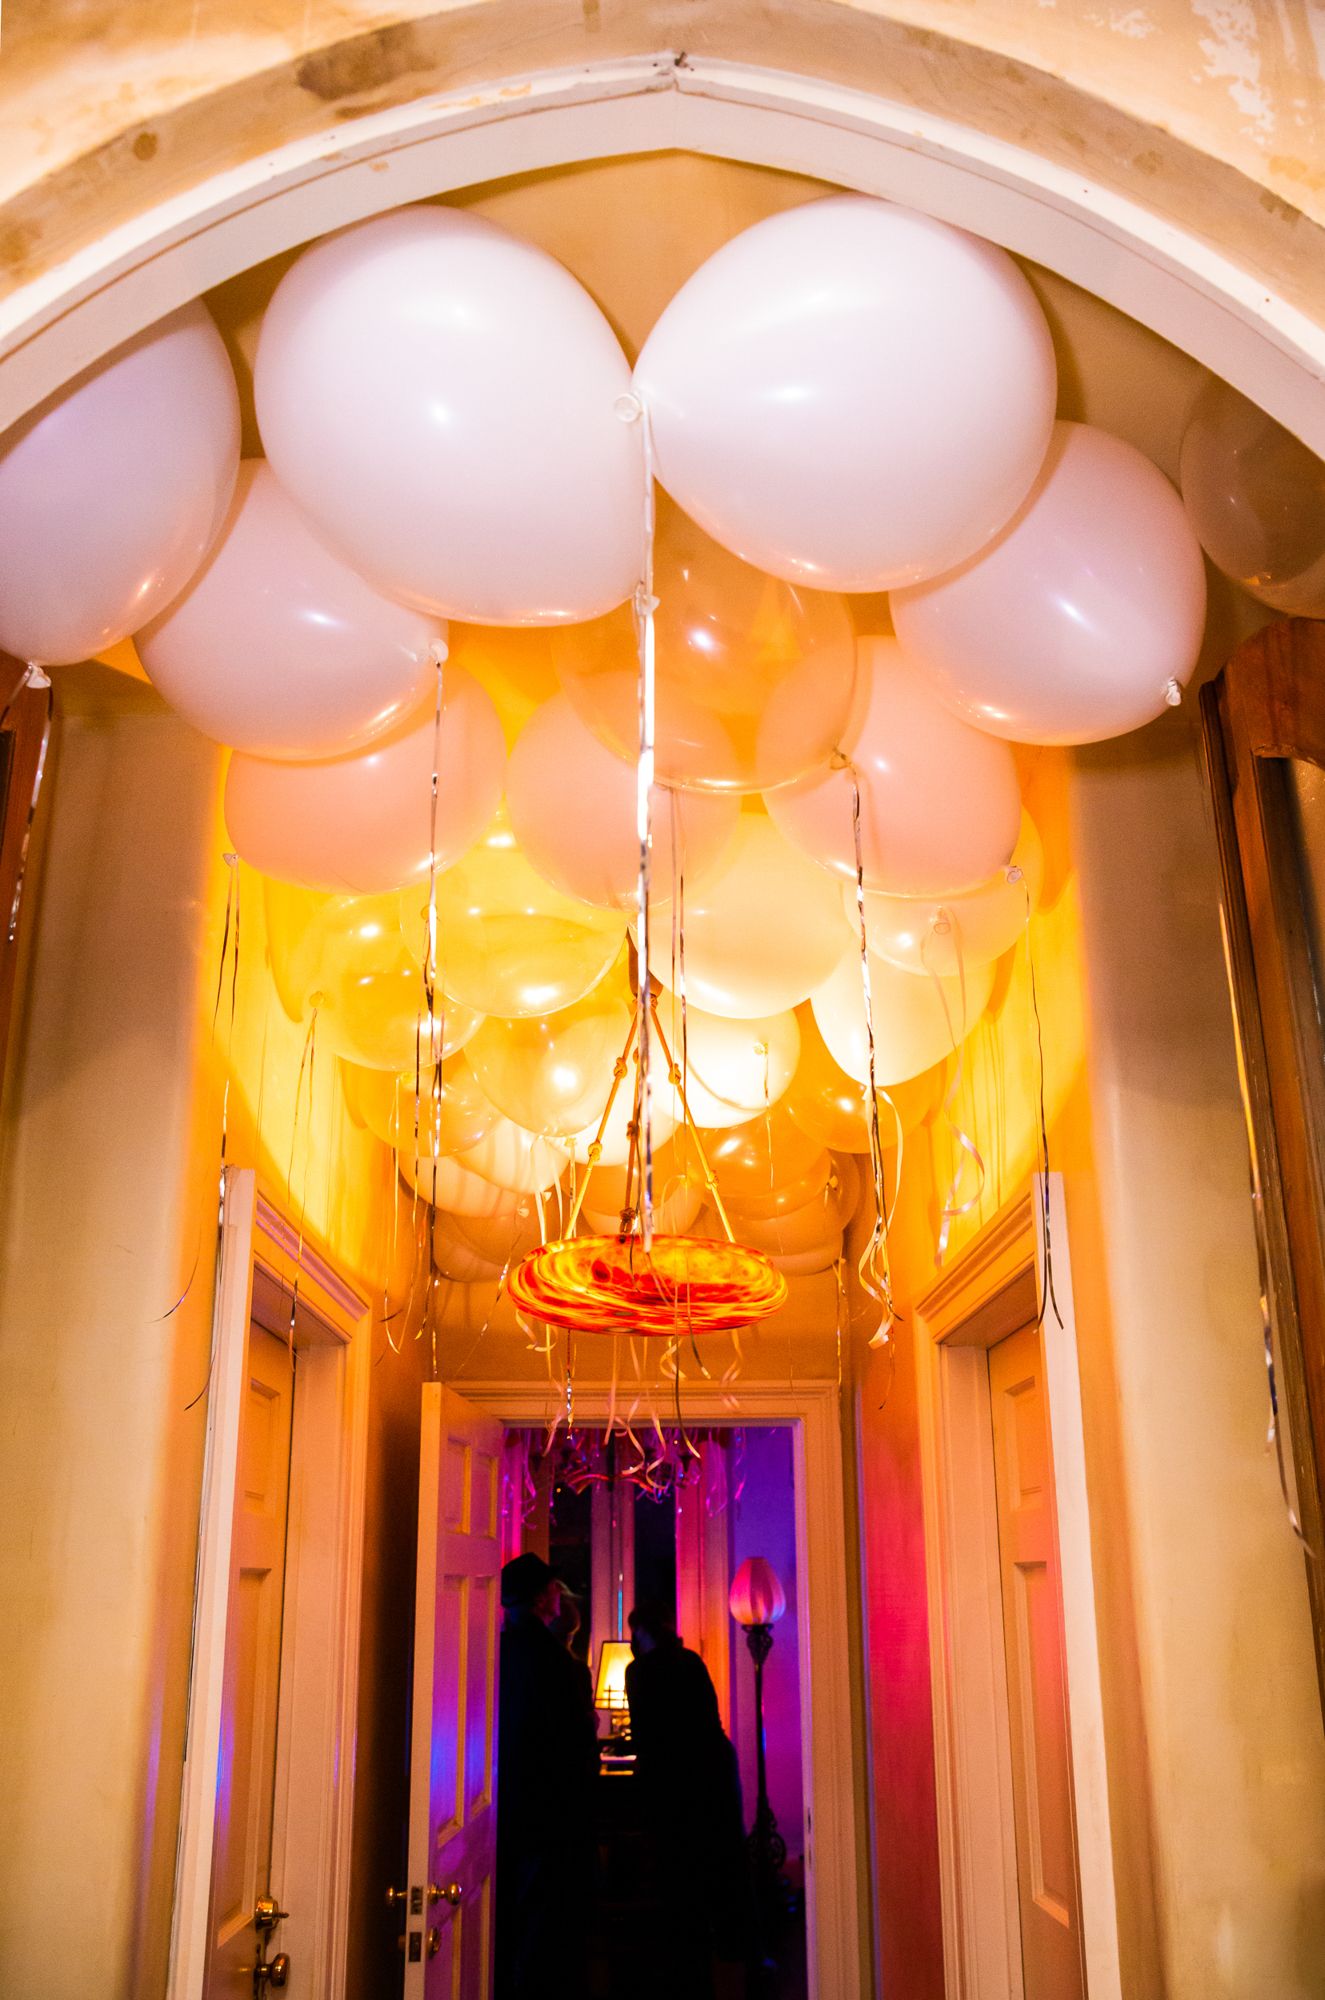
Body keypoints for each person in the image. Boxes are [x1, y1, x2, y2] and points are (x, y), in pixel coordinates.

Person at [625, 1600, 751, 1999]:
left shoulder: (639, 1671)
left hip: (676, 1779)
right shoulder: (691, 1661)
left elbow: (646, 1736)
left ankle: (686, 1968)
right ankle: (735, 1957)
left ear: (641, 1632)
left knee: (680, 1875)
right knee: (723, 1864)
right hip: (714, 1766)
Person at [495, 1552, 600, 1999]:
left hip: (509, 1800)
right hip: (554, 1808)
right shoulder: (557, 1662)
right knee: (548, 1920)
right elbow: (577, 1743)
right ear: (542, 1598)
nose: (559, 1593)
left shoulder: (496, 1649)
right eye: (554, 1588)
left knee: (514, 1915)